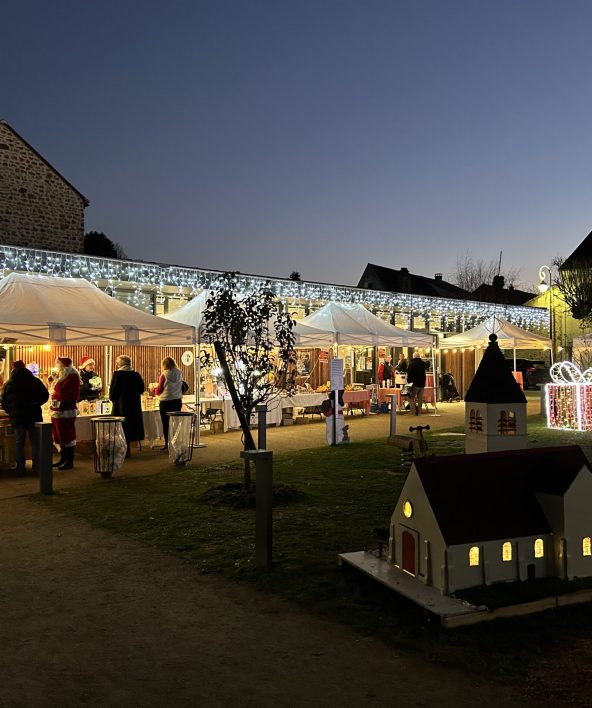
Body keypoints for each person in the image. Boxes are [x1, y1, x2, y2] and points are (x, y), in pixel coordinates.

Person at [0, 360, 49, 476]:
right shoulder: (35, 381)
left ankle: (20, 468)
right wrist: (36, 404)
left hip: (18, 417)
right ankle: (37, 467)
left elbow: (3, 401)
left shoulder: (9, 383)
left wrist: (10, 411)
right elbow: (45, 395)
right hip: (34, 415)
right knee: (36, 442)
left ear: (13, 369)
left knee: (19, 442)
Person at [109, 355, 145, 458]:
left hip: (121, 406)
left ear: (120, 364)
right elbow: (141, 389)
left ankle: (124, 450)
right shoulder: (136, 375)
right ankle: (127, 449)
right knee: (131, 427)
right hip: (134, 406)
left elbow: (113, 392)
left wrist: (112, 399)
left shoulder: (118, 375)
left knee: (121, 427)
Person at [50, 357, 81, 470]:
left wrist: (56, 380)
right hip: (58, 410)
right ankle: (63, 459)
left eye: (58, 364)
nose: (57, 366)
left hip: (65, 411)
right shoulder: (64, 376)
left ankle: (69, 461)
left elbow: (62, 392)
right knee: (59, 436)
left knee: (67, 435)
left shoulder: (71, 377)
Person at [155, 356, 184, 451]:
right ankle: (177, 443)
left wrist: (153, 389)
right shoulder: (179, 373)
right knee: (176, 422)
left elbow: (159, 390)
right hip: (177, 400)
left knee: (166, 423)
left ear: (164, 365)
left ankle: (167, 444)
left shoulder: (164, 375)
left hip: (166, 401)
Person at [406, 352, 429, 416]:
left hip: (414, 383)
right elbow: (428, 365)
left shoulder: (412, 364)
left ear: (414, 357)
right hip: (422, 383)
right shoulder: (422, 363)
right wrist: (427, 361)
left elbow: (409, 373)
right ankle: (419, 411)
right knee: (420, 398)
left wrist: (409, 381)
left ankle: (413, 411)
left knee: (411, 397)